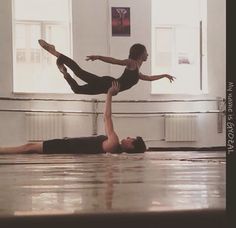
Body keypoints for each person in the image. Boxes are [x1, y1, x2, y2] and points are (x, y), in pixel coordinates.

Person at [0, 82, 146, 155]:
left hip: (66, 147)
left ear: (131, 146)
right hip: (68, 145)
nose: (127, 137)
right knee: (30, 147)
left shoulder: (114, 142)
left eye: (131, 139)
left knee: (29, 147)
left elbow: (106, 117)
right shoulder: (114, 149)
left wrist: (109, 94)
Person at [38, 39, 175, 95]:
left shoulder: (137, 69)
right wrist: (98, 57)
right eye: (146, 53)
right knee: (79, 73)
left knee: (77, 89)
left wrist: (164, 75)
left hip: (107, 87)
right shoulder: (131, 63)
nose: (148, 54)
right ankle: (55, 52)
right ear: (140, 54)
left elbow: (148, 78)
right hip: (108, 84)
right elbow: (115, 61)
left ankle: (64, 72)